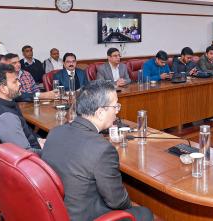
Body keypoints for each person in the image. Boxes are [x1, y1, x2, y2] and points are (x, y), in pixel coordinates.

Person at [42, 80, 153, 221]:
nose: (117, 111)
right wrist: (131, 204)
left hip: (57, 210)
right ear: (100, 112)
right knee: (145, 213)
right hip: (85, 215)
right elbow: (117, 201)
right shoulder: (102, 149)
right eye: (115, 106)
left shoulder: (55, 132)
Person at [0, 64, 42, 155]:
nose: (20, 83)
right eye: (15, 82)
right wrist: (48, 152)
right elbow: (25, 154)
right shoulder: (6, 117)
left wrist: (39, 140)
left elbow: (26, 131)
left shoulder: (0, 104)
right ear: (3, 89)